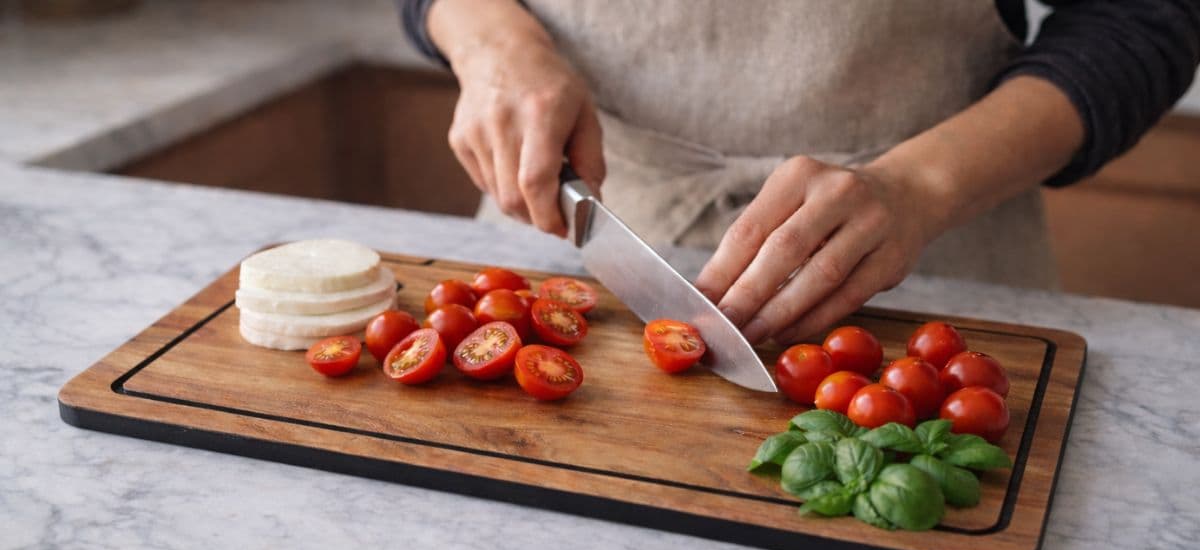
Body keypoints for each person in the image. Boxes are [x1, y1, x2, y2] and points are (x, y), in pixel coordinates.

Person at [398, 0, 1200, 345]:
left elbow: (1144, 16)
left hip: (922, 244)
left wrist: (919, 189)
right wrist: (489, 40)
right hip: (568, 217)